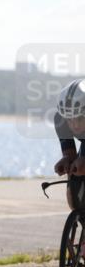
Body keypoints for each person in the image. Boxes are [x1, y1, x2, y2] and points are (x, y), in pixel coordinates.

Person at [53, 78, 85, 210]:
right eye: (69, 119)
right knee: (74, 171)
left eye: (80, 118)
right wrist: (66, 161)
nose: (74, 124)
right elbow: (70, 156)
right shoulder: (61, 120)